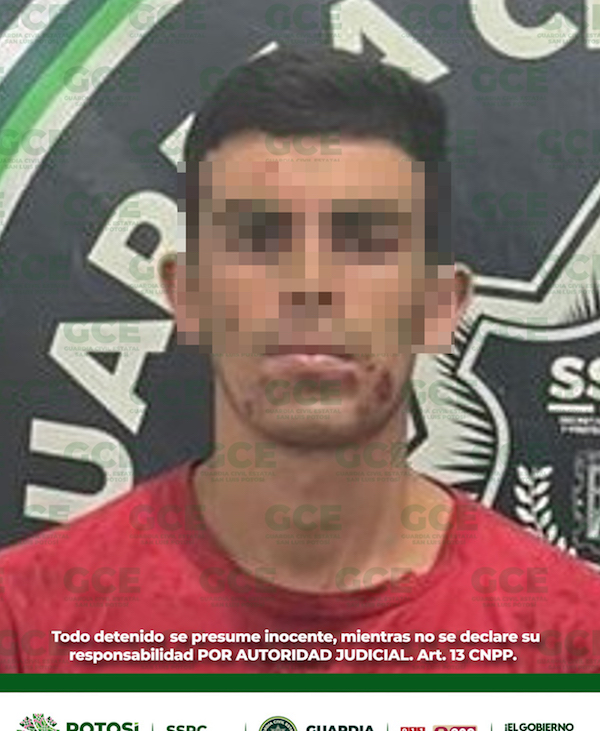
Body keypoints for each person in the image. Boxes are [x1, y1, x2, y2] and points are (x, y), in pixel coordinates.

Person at [0, 46, 599, 674]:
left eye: (365, 243)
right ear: (187, 296)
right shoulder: (27, 627)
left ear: (438, 306)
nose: (311, 285)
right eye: (259, 240)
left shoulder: (571, 646)